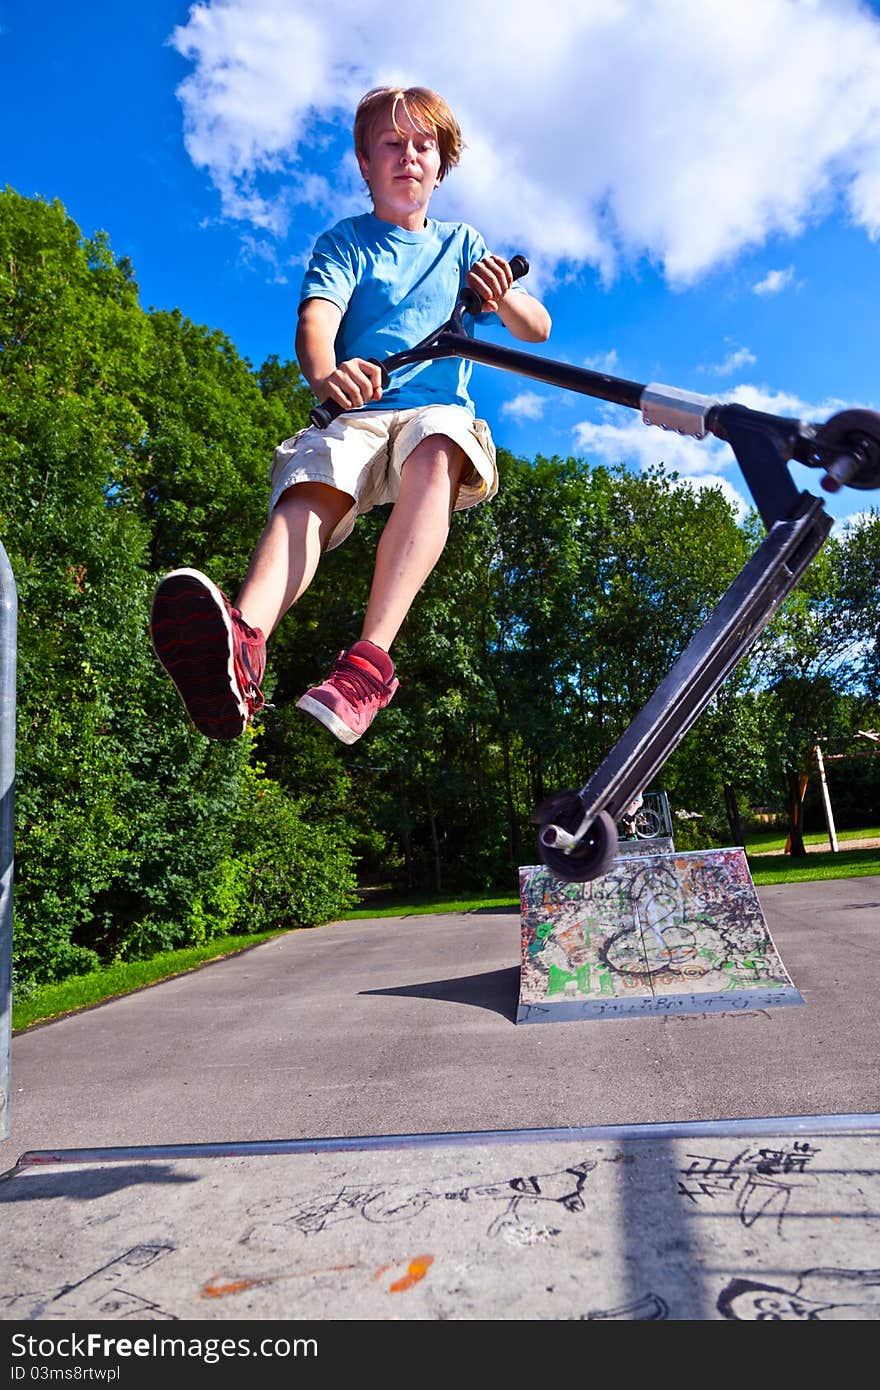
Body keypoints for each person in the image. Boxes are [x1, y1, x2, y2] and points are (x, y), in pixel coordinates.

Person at [150, 85, 551, 744]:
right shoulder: (346, 243)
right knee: (316, 474)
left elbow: (536, 328)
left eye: (424, 145)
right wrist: (328, 373)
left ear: (441, 164)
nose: (409, 157)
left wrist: (501, 297)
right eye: (392, 144)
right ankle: (243, 644)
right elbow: (317, 321)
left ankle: (366, 667)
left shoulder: (462, 244)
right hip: (361, 409)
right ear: (366, 163)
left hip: (433, 411)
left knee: (437, 440)